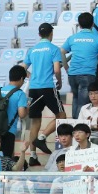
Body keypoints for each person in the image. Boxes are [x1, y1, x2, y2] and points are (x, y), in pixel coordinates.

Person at [22, 23, 67, 160]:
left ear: (39, 34)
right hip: (47, 87)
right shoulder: (53, 49)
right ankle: (42, 137)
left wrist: (31, 76)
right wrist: (59, 81)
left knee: (35, 121)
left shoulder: (32, 50)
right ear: (51, 34)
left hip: (34, 88)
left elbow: (22, 68)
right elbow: (57, 69)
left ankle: (33, 156)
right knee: (61, 116)